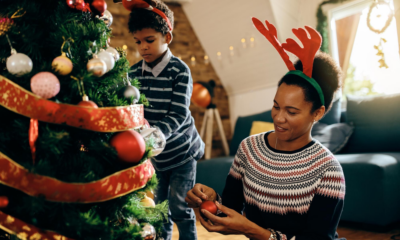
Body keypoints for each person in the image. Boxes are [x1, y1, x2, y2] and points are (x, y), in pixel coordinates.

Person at [186, 19, 346, 240]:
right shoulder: (249, 148)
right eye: (276, 106)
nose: (278, 118)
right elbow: (230, 208)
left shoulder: (328, 171)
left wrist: (252, 230)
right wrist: (211, 200)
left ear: (317, 113)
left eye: (291, 112)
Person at [126, 1, 205, 239]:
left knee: (181, 207)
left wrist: (155, 135)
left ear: (167, 37)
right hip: (155, 157)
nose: (143, 47)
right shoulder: (132, 73)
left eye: (149, 40)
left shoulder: (179, 71)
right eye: (138, 41)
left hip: (182, 153)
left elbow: (179, 114)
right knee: (160, 209)